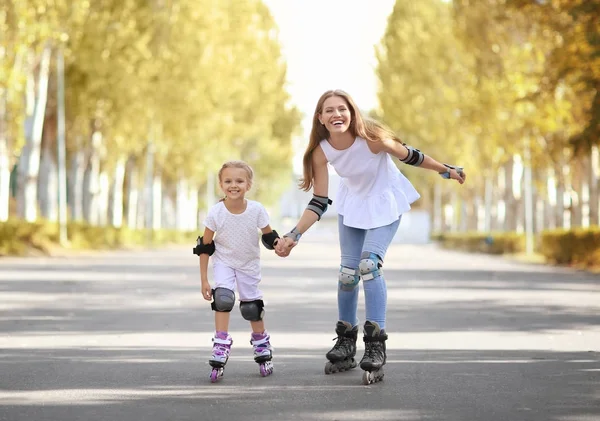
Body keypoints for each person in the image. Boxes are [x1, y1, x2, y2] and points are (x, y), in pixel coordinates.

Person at [274, 89, 466, 385]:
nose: (337, 114)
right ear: (320, 118)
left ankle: (375, 344)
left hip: (384, 201)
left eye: (342, 109)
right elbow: (319, 201)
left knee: (368, 266)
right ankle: (346, 341)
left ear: (352, 113)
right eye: (330, 110)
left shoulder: (372, 139)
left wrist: (446, 170)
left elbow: (410, 156)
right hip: (353, 205)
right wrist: (294, 234)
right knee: (347, 273)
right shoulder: (321, 152)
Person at [193, 160, 281, 382]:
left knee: (251, 306)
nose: (234, 185)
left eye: (239, 181)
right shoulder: (215, 213)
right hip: (224, 262)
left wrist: (280, 245)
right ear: (221, 185)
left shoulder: (257, 210)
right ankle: (220, 345)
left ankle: (261, 345)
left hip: (248, 264)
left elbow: (269, 236)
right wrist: (204, 280)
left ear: (248, 184)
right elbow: (204, 247)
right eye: (228, 181)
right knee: (222, 299)